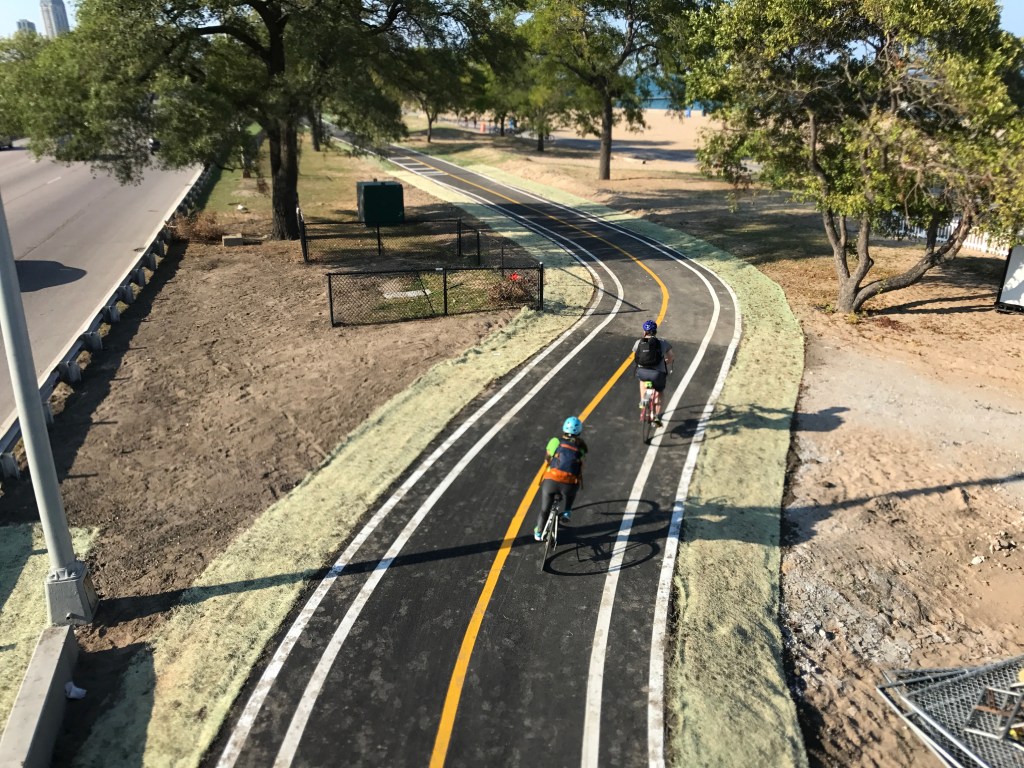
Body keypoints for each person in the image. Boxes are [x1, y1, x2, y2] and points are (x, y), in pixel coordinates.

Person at [534, 416, 588, 541]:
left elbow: (547, 458)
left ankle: (539, 532)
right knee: (574, 486)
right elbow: (581, 466)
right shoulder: (581, 446)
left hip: (551, 482)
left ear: (564, 428)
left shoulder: (555, 441)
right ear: (579, 431)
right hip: (568, 485)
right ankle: (568, 511)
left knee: (544, 509)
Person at [632, 320, 674, 427]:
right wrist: (666, 362)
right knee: (660, 392)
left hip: (642, 372)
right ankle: (656, 418)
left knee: (643, 382)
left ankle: (644, 402)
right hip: (657, 374)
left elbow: (636, 356)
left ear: (644, 331)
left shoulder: (639, 342)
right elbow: (671, 357)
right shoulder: (662, 342)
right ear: (655, 331)